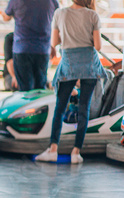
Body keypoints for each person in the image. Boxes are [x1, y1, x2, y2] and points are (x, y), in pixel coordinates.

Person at [35, 0, 106, 164]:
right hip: (89, 66)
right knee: (84, 109)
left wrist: (69, 35)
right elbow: (98, 46)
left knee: (60, 109)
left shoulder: (60, 13)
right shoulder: (93, 15)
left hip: (69, 65)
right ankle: (76, 152)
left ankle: (53, 149)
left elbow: (54, 42)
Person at [2, 0, 59, 91]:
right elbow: (57, 16)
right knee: (40, 89)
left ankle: (29, 105)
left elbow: (6, 17)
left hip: (22, 48)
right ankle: (39, 105)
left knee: (25, 90)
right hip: (42, 49)